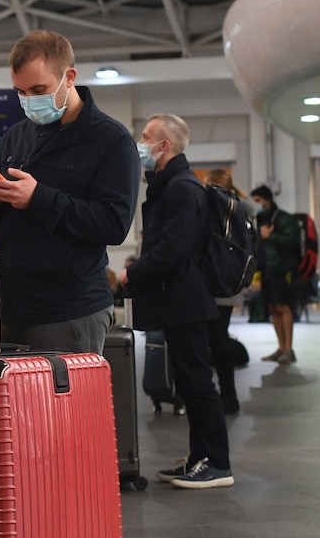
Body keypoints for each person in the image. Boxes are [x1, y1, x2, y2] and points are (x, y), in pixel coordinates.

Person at [0, 29, 140, 355]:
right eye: (20, 92)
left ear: (69, 77)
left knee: (58, 405)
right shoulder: (17, 136)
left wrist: (38, 198)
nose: (29, 100)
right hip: (9, 305)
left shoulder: (111, 140)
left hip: (69, 309)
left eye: (39, 89)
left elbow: (114, 224)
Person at [119, 114, 233, 489]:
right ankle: (200, 458)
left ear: (164, 146)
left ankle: (217, 463)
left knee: (198, 384)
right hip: (178, 301)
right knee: (188, 383)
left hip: (187, 302)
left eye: (146, 136)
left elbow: (175, 249)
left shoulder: (182, 188)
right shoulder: (171, 186)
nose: (141, 141)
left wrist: (133, 274)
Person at [204, 169, 254, 414]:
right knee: (220, 337)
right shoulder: (244, 207)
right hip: (232, 281)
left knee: (208, 340)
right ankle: (229, 396)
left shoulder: (211, 202)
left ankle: (209, 396)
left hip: (211, 279)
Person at [251, 184, 301, 364]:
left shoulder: (283, 218)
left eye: (258, 200)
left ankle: (289, 349)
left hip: (281, 270)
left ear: (268, 200)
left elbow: (292, 240)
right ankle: (280, 348)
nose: (256, 204)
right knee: (272, 309)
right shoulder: (261, 219)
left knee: (283, 308)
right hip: (266, 269)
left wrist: (269, 236)